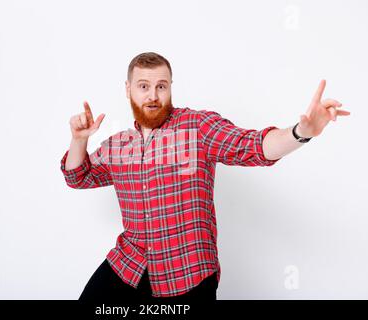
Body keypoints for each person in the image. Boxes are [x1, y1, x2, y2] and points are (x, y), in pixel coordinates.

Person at [60, 52, 350, 302]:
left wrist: (301, 133)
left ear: (171, 87)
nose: (152, 95)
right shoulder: (118, 145)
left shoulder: (198, 127)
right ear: (128, 89)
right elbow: (78, 177)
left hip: (187, 272)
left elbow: (253, 146)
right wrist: (79, 140)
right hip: (130, 264)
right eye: (143, 86)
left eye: (161, 86)